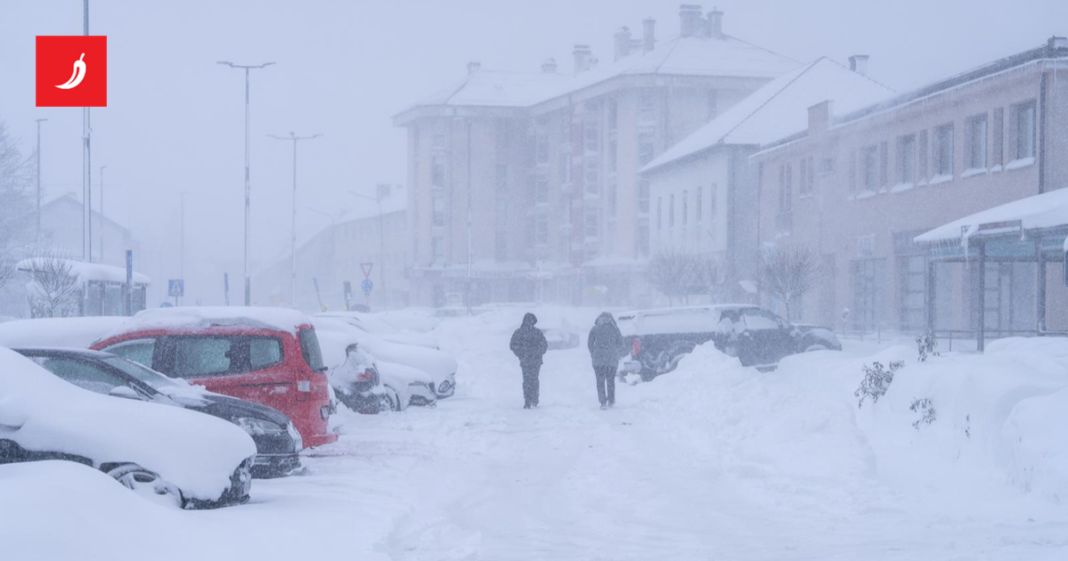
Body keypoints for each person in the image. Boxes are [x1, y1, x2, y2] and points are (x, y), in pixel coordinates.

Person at [510, 312, 548, 409]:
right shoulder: (523, 332)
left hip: (532, 361)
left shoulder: (534, 332)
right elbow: (513, 345)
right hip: (528, 361)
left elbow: (544, 345)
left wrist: (536, 353)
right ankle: (529, 400)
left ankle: (532, 400)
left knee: (531, 380)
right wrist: (522, 354)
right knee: (530, 380)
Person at [587, 312, 625, 409]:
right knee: (610, 381)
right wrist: (613, 350)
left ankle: (603, 402)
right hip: (611, 360)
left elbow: (590, 343)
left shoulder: (595, 329)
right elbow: (621, 344)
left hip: (598, 360)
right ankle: (611, 401)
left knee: (600, 381)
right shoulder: (615, 329)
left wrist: (593, 353)